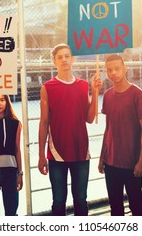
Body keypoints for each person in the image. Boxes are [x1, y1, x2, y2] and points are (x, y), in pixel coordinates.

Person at [38, 43, 102, 216]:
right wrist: (40, 155)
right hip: (56, 152)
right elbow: (44, 122)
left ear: (73, 59)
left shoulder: (83, 85)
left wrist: (95, 93)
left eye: (67, 56)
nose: (64, 60)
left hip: (80, 151)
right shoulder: (47, 88)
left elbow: (89, 118)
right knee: (59, 200)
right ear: (54, 62)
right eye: (60, 57)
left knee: (80, 199)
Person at [98, 54, 142, 216]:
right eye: (110, 70)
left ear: (125, 68)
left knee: (136, 206)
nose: (113, 73)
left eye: (117, 69)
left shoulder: (137, 94)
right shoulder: (107, 95)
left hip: (132, 163)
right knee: (115, 208)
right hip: (111, 163)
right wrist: (102, 157)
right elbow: (108, 129)